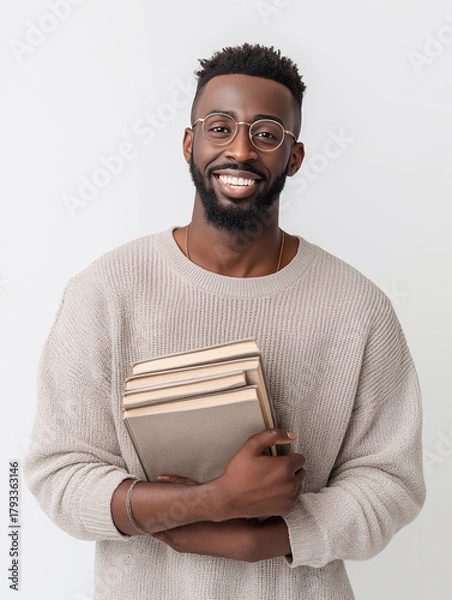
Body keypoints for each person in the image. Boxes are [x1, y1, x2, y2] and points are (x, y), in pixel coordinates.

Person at [25, 43, 426, 600]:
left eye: (266, 134)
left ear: (296, 156)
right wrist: (214, 502)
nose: (240, 150)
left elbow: (392, 483)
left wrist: (269, 538)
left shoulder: (358, 308)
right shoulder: (105, 292)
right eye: (219, 127)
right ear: (190, 143)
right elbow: (54, 476)